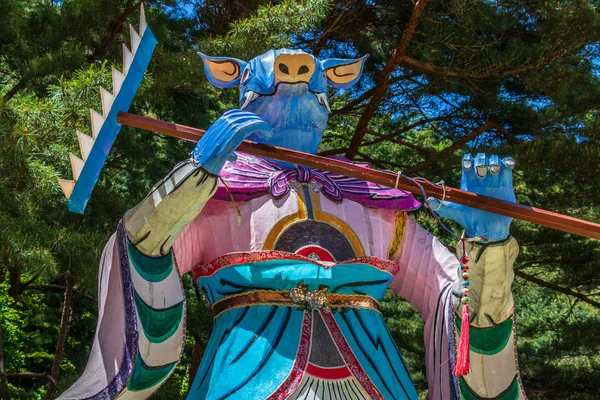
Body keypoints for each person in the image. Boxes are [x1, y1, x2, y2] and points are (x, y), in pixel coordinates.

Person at [59, 49, 525, 400]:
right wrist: (196, 172)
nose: (297, 74)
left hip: (375, 379)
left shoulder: (377, 206)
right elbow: (142, 251)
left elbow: (454, 297)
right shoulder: (213, 199)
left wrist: (488, 246)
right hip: (243, 377)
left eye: (312, 76)